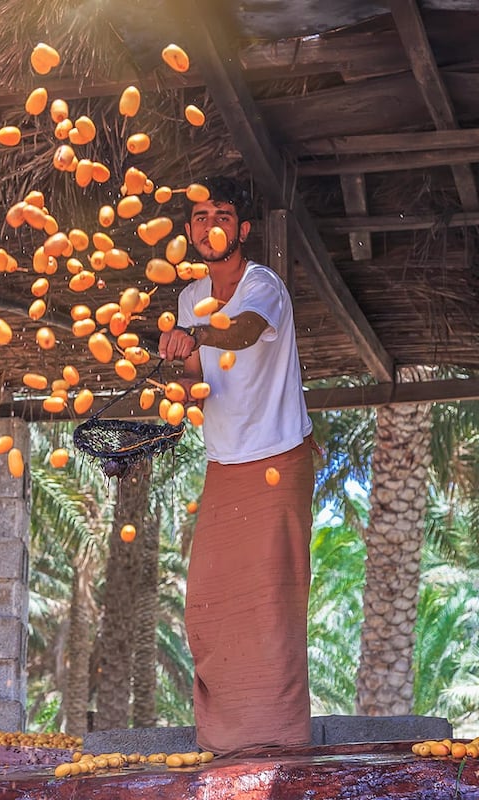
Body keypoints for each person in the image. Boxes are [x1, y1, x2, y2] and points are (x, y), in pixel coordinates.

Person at [158, 175, 316, 756]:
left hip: (278, 457)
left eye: (222, 216)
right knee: (207, 603)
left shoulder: (263, 285)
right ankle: (226, 746)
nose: (211, 226)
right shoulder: (188, 298)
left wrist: (193, 334)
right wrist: (171, 382)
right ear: (189, 231)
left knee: (272, 609)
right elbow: (197, 382)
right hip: (223, 463)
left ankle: (279, 746)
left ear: (242, 229)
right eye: (200, 217)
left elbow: (244, 332)